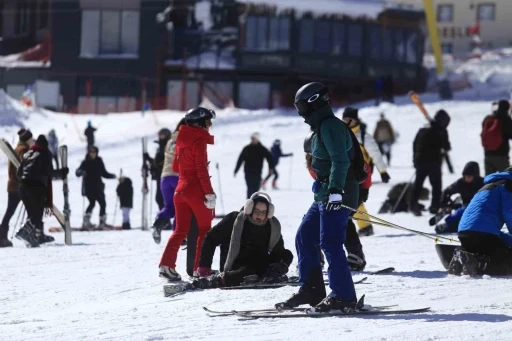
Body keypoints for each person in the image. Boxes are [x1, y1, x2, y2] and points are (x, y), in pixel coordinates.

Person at [277, 82, 360, 312]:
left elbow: (340, 161)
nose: (300, 112)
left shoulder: (331, 127)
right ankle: (311, 289)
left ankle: (343, 296)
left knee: (331, 243)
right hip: (324, 194)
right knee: (305, 236)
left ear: (313, 103)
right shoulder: (321, 127)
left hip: (337, 194)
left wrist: (335, 190)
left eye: (301, 106)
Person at [187, 192, 293, 289]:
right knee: (250, 270)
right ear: (249, 209)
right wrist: (204, 266)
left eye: (263, 212)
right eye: (256, 211)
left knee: (287, 255)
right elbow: (210, 238)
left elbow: (278, 252)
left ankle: (271, 276)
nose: (260, 215)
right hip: (236, 265)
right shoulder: (234, 219)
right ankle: (219, 280)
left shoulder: (272, 226)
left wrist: (278, 267)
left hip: (259, 263)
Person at [158, 107, 216, 281]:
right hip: (195, 188)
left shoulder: (180, 139)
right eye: (208, 121)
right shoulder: (199, 140)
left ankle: (166, 265)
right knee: (205, 229)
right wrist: (209, 193)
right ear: (201, 123)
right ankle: (200, 269)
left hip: (180, 189)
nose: (210, 125)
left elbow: (176, 167)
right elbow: (200, 169)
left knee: (180, 230)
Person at [303, 132, 368, 271]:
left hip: (350, 192)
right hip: (328, 196)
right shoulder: (312, 164)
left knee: (343, 222)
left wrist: (364, 190)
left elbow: (363, 169)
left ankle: (356, 254)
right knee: (314, 222)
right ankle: (315, 256)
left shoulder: (336, 155)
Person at [448, 167, 512, 277]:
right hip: (483, 234)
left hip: (464, 232)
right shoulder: (509, 185)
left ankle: (464, 255)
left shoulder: (489, 185)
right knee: (507, 260)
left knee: (487, 245)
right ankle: (478, 262)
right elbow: (509, 212)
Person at [342, 107, 391, 236]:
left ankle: (366, 227)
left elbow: (376, 154)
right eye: (344, 119)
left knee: (355, 201)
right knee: (349, 201)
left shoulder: (364, 136)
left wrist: (383, 171)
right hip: (345, 172)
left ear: (355, 120)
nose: (346, 121)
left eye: (349, 119)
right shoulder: (341, 134)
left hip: (361, 173)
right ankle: (361, 226)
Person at [15, 135, 55, 248]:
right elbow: (49, 172)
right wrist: (62, 172)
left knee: (32, 213)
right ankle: (24, 232)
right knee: (37, 214)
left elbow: (19, 173)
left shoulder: (28, 153)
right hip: (36, 187)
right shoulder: (45, 153)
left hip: (22, 187)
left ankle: (32, 237)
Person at [410, 109, 451, 216]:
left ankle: (413, 205)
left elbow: (415, 143)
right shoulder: (441, 131)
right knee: (436, 186)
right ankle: (435, 207)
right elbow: (446, 146)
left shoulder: (424, 128)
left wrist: (415, 159)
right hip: (434, 162)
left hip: (420, 161)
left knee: (418, 184)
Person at [151, 119, 185, 244]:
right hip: (177, 177)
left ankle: (157, 225)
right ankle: (179, 235)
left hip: (165, 178)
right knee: (181, 206)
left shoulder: (170, 142)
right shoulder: (185, 140)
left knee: (169, 206)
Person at [0, 129, 33, 247]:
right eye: (31, 139)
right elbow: (24, 168)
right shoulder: (23, 150)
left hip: (13, 186)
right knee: (32, 211)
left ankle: (2, 236)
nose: (32, 141)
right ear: (28, 139)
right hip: (19, 186)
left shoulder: (16, 148)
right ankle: (30, 235)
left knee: (10, 212)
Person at [434, 161, 484, 234]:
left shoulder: (482, 183)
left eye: (469, 177)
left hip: (479, 209)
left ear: (475, 176)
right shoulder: (460, 183)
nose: (467, 179)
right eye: (465, 176)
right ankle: (447, 224)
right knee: (460, 215)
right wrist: (443, 205)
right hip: (464, 207)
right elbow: (446, 191)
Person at [76, 146, 116, 228]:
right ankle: (86, 221)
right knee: (92, 203)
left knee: (103, 204)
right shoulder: (85, 162)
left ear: (96, 153)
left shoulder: (99, 161)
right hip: (89, 187)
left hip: (98, 186)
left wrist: (112, 176)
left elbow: (104, 173)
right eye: (91, 152)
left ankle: (102, 222)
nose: (92, 153)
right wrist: (81, 172)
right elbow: (77, 172)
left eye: (94, 152)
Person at [234, 133, 274, 199]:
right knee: (250, 189)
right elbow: (240, 159)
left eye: (254, 138)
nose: (252, 140)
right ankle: (248, 205)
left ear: (258, 139)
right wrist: (236, 170)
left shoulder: (262, 149)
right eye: (252, 138)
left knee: (256, 190)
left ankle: (254, 205)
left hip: (257, 172)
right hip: (248, 172)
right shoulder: (247, 148)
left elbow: (269, 158)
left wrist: (271, 168)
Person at [144, 128, 172, 211]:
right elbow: (157, 162)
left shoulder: (169, 146)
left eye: (162, 135)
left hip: (166, 176)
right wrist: (149, 159)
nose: (160, 137)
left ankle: (166, 219)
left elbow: (164, 161)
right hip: (159, 176)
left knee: (162, 198)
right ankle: (164, 219)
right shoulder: (160, 147)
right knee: (159, 198)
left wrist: (152, 162)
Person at [481, 100, 512, 175]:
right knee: (507, 179)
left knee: (489, 180)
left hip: (488, 154)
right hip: (501, 155)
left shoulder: (488, 118)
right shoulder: (506, 120)